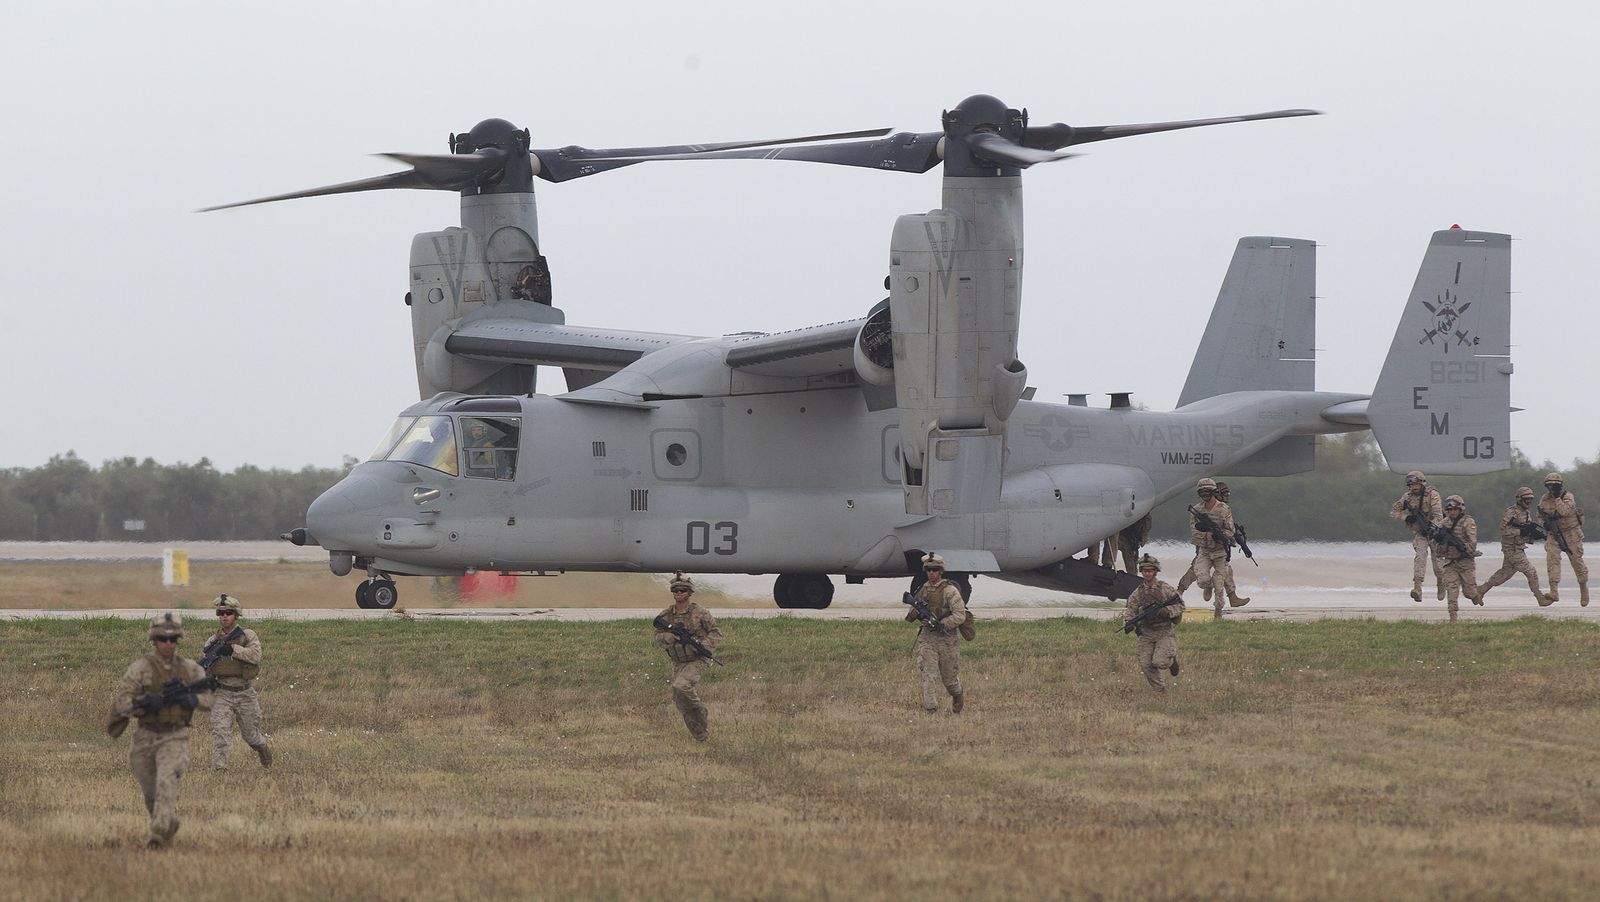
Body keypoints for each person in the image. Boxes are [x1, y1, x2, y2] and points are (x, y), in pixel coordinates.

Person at [106, 612, 213, 849]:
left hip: (175, 736)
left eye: (173, 640)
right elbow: (121, 703)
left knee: (166, 782)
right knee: (151, 794)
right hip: (144, 737)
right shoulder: (140, 669)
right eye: (163, 640)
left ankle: (157, 835)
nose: (168, 644)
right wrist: (143, 704)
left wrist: (192, 700)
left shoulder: (190, 670)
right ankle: (169, 823)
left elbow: (210, 700)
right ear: (154, 641)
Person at [202, 594, 272, 769]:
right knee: (220, 733)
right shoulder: (213, 642)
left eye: (228, 613)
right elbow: (207, 667)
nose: (224, 616)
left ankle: (262, 748)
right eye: (221, 613)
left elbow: (255, 657)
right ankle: (220, 769)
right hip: (222, 693)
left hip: (245, 693)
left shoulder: (247, 636)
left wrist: (233, 649)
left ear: (236, 615)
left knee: (251, 736)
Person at [653, 573, 723, 741]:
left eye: (683, 590)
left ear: (689, 593)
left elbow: (716, 633)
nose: (679, 593)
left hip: (697, 659)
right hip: (678, 661)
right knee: (680, 701)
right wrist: (667, 637)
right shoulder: (666, 615)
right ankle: (700, 735)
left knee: (681, 686)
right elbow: (657, 636)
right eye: (676, 590)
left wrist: (702, 646)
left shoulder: (700, 613)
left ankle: (700, 710)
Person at [907, 552, 968, 713]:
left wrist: (941, 624)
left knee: (950, 681)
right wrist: (916, 613)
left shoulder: (950, 591)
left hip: (947, 640)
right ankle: (931, 709)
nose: (931, 573)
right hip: (928, 639)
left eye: (934, 570)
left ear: (941, 571)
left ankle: (957, 695)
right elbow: (911, 613)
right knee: (928, 674)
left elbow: (960, 615)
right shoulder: (923, 591)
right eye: (928, 570)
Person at [1175, 478, 1239, 617]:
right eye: (1202, 491)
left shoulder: (1224, 509)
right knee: (1201, 577)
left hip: (1220, 551)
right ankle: (1183, 590)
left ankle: (1219, 611)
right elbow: (1194, 529)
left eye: (1207, 491)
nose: (1205, 494)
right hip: (1204, 549)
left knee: (1219, 581)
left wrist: (1224, 536)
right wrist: (1209, 535)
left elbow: (1230, 529)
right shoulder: (1197, 510)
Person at [1475, 487, 1550, 606]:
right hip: (1511, 549)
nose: (1529, 502)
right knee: (1531, 572)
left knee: (1505, 574)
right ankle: (1539, 597)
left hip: (1519, 547)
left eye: (1530, 499)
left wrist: (1534, 536)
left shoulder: (1526, 513)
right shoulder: (1511, 512)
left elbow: (1526, 533)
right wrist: (1521, 532)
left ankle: (1481, 590)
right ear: (1520, 499)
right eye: (1526, 499)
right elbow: (1503, 530)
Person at [1123, 554, 1185, 692]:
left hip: (1164, 632)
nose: (1147, 573)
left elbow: (1181, 605)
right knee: (1145, 663)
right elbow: (1130, 609)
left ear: (1155, 572)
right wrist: (1128, 622)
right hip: (1146, 632)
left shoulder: (1165, 589)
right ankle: (1160, 690)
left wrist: (1166, 611)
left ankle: (1172, 660)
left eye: (1150, 571)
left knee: (1160, 662)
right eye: (1144, 571)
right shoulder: (1138, 592)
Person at [1390, 470, 1446, 602]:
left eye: (1416, 484)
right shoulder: (1407, 497)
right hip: (1420, 534)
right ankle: (1417, 588)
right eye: (1411, 485)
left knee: (1438, 564)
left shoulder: (1432, 495)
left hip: (1435, 533)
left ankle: (1441, 583)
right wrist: (1406, 517)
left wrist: (1432, 528)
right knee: (1420, 559)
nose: (1414, 487)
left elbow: (1439, 516)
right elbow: (1394, 511)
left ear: (1422, 484)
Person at [1537, 472, 1588, 606]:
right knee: (1552, 559)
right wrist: (1544, 524)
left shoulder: (1568, 497)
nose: (1551, 488)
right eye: (1549, 486)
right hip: (1554, 534)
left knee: (1576, 561)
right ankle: (1554, 591)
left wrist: (1558, 498)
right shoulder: (1545, 499)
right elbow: (1540, 515)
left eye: (1554, 486)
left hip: (1571, 533)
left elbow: (1564, 511)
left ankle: (1583, 586)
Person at [1432, 494, 1482, 622]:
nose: (1452, 512)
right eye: (1449, 510)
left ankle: (1476, 595)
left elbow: (1472, 543)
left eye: (1454, 509)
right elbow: (1436, 545)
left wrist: (1461, 546)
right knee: (1452, 592)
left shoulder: (1468, 522)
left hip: (1465, 563)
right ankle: (1453, 619)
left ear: (1460, 509)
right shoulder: (1444, 523)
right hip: (1450, 563)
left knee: (1469, 592)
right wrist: (1439, 539)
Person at [1212, 482, 1251, 606]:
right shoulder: (1211, 508)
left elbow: (1229, 527)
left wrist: (1236, 540)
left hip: (1220, 546)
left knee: (1227, 570)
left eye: (1228, 493)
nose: (1227, 496)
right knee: (1196, 573)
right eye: (1224, 493)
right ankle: (1179, 592)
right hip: (1208, 546)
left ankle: (1232, 597)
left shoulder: (1224, 509)